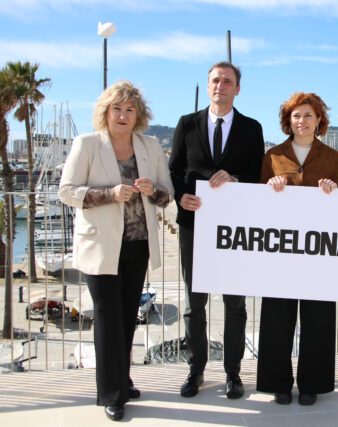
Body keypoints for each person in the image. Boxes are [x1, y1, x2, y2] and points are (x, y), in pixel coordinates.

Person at [58, 81, 173, 421]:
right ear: (105, 112)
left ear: (139, 115)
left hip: (138, 245)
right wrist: (109, 194)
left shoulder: (150, 146)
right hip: (100, 247)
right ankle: (111, 394)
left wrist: (153, 190)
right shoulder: (87, 144)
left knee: (126, 318)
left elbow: (167, 193)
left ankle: (122, 378)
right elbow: (66, 190)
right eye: (117, 109)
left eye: (129, 109)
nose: (123, 115)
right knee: (107, 319)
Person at [168, 61, 264, 399]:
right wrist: (181, 196)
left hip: (234, 229)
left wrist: (235, 178)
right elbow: (174, 171)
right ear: (208, 85)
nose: (220, 85)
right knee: (194, 304)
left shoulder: (251, 128)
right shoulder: (187, 123)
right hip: (194, 225)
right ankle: (196, 370)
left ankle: (233, 373)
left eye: (227, 81)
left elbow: (258, 175)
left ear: (237, 89)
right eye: (215, 80)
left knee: (235, 303)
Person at [256, 92, 338, 406]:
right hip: (281, 250)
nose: (302, 121)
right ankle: (277, 383)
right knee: (277, 318)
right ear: (288, 121)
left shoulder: (332, 157)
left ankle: (313, 384)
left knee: (318, 318)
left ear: (319, 119)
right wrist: (269, 188)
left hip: (319, 251)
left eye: (308, 115)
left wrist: (334, 191)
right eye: (296, 115)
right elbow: (256, 203)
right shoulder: (272, 156)